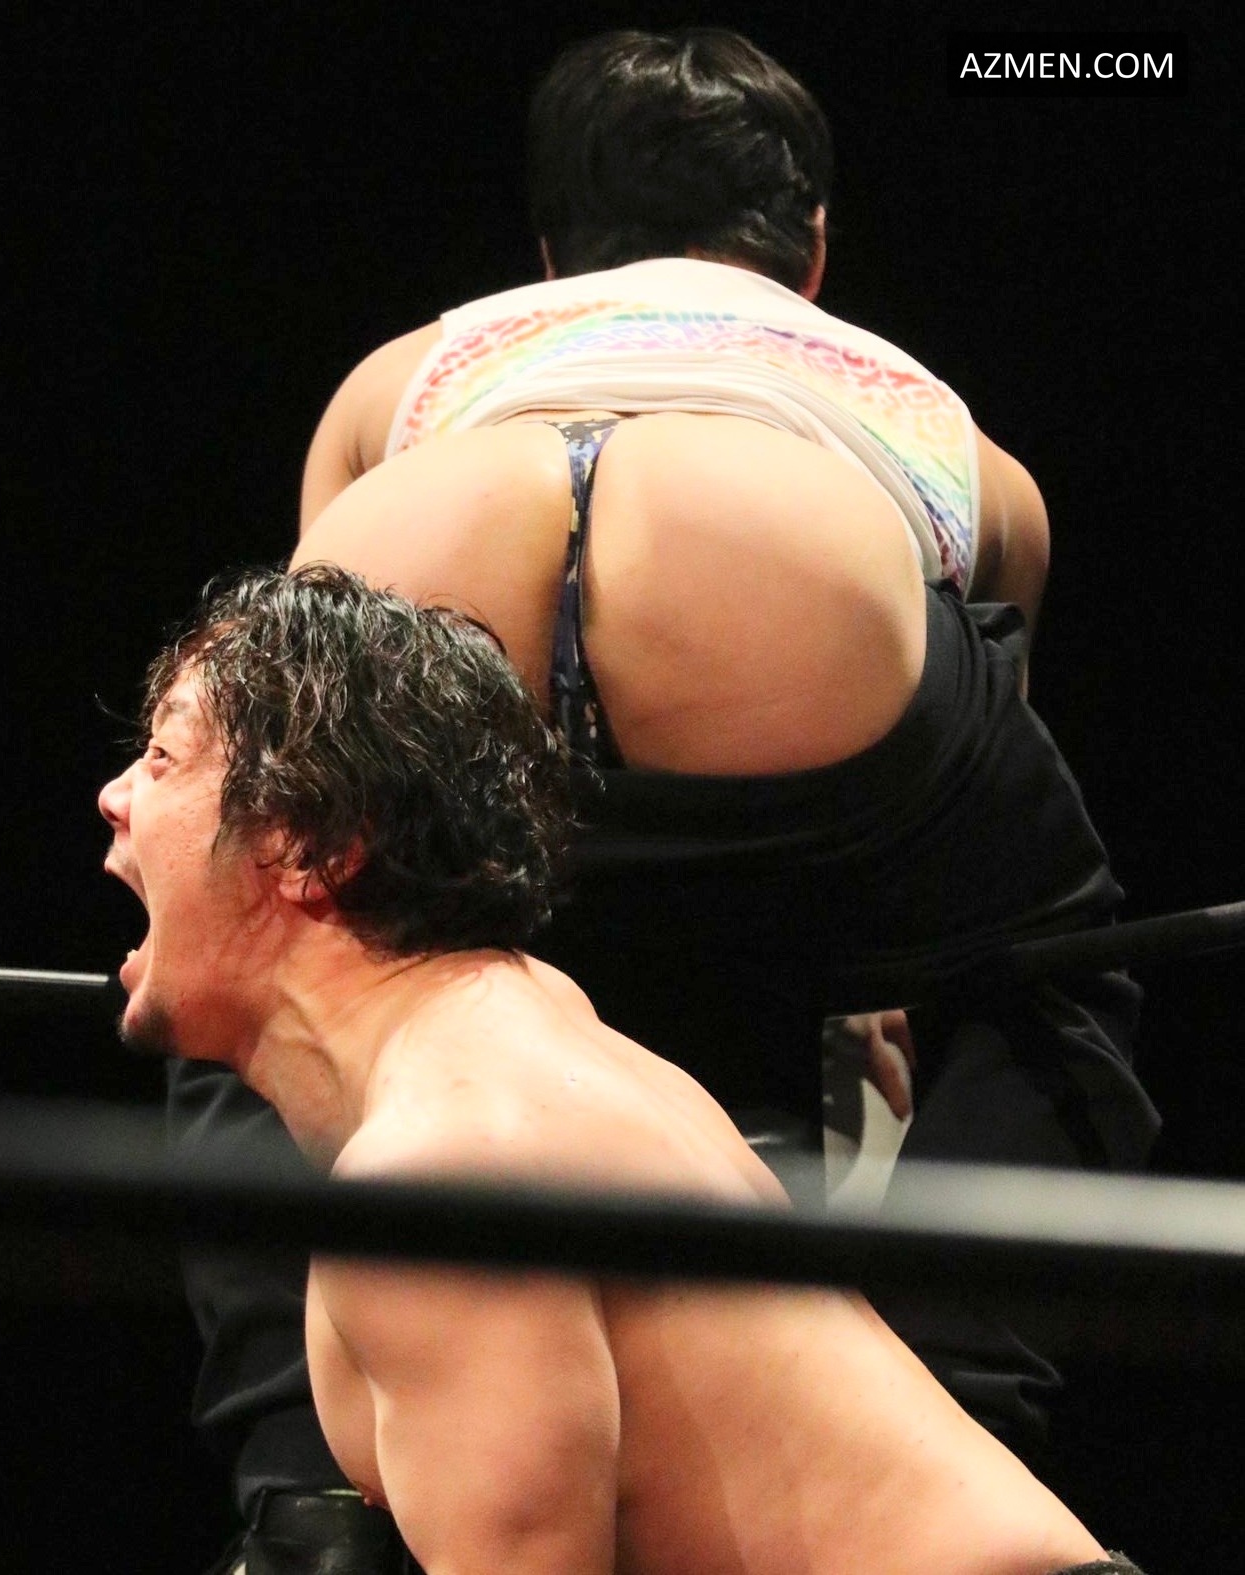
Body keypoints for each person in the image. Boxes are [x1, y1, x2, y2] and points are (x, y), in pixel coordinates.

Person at [167, 27, 1160, 1571]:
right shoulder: (955, 438)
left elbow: (321, 697)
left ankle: (308, 1500)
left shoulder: (405, 377)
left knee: (271, 916)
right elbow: (970, 863)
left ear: (549, 250)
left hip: (449, 534)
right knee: (1051, 982)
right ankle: (927, 1427)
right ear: (812, 249)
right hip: (783, 575)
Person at [106, 564, 1146, 1575]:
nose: (115, 797)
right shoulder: (518, 1033)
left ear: (311, 848)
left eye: (161, 757)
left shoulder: (442, 1168)